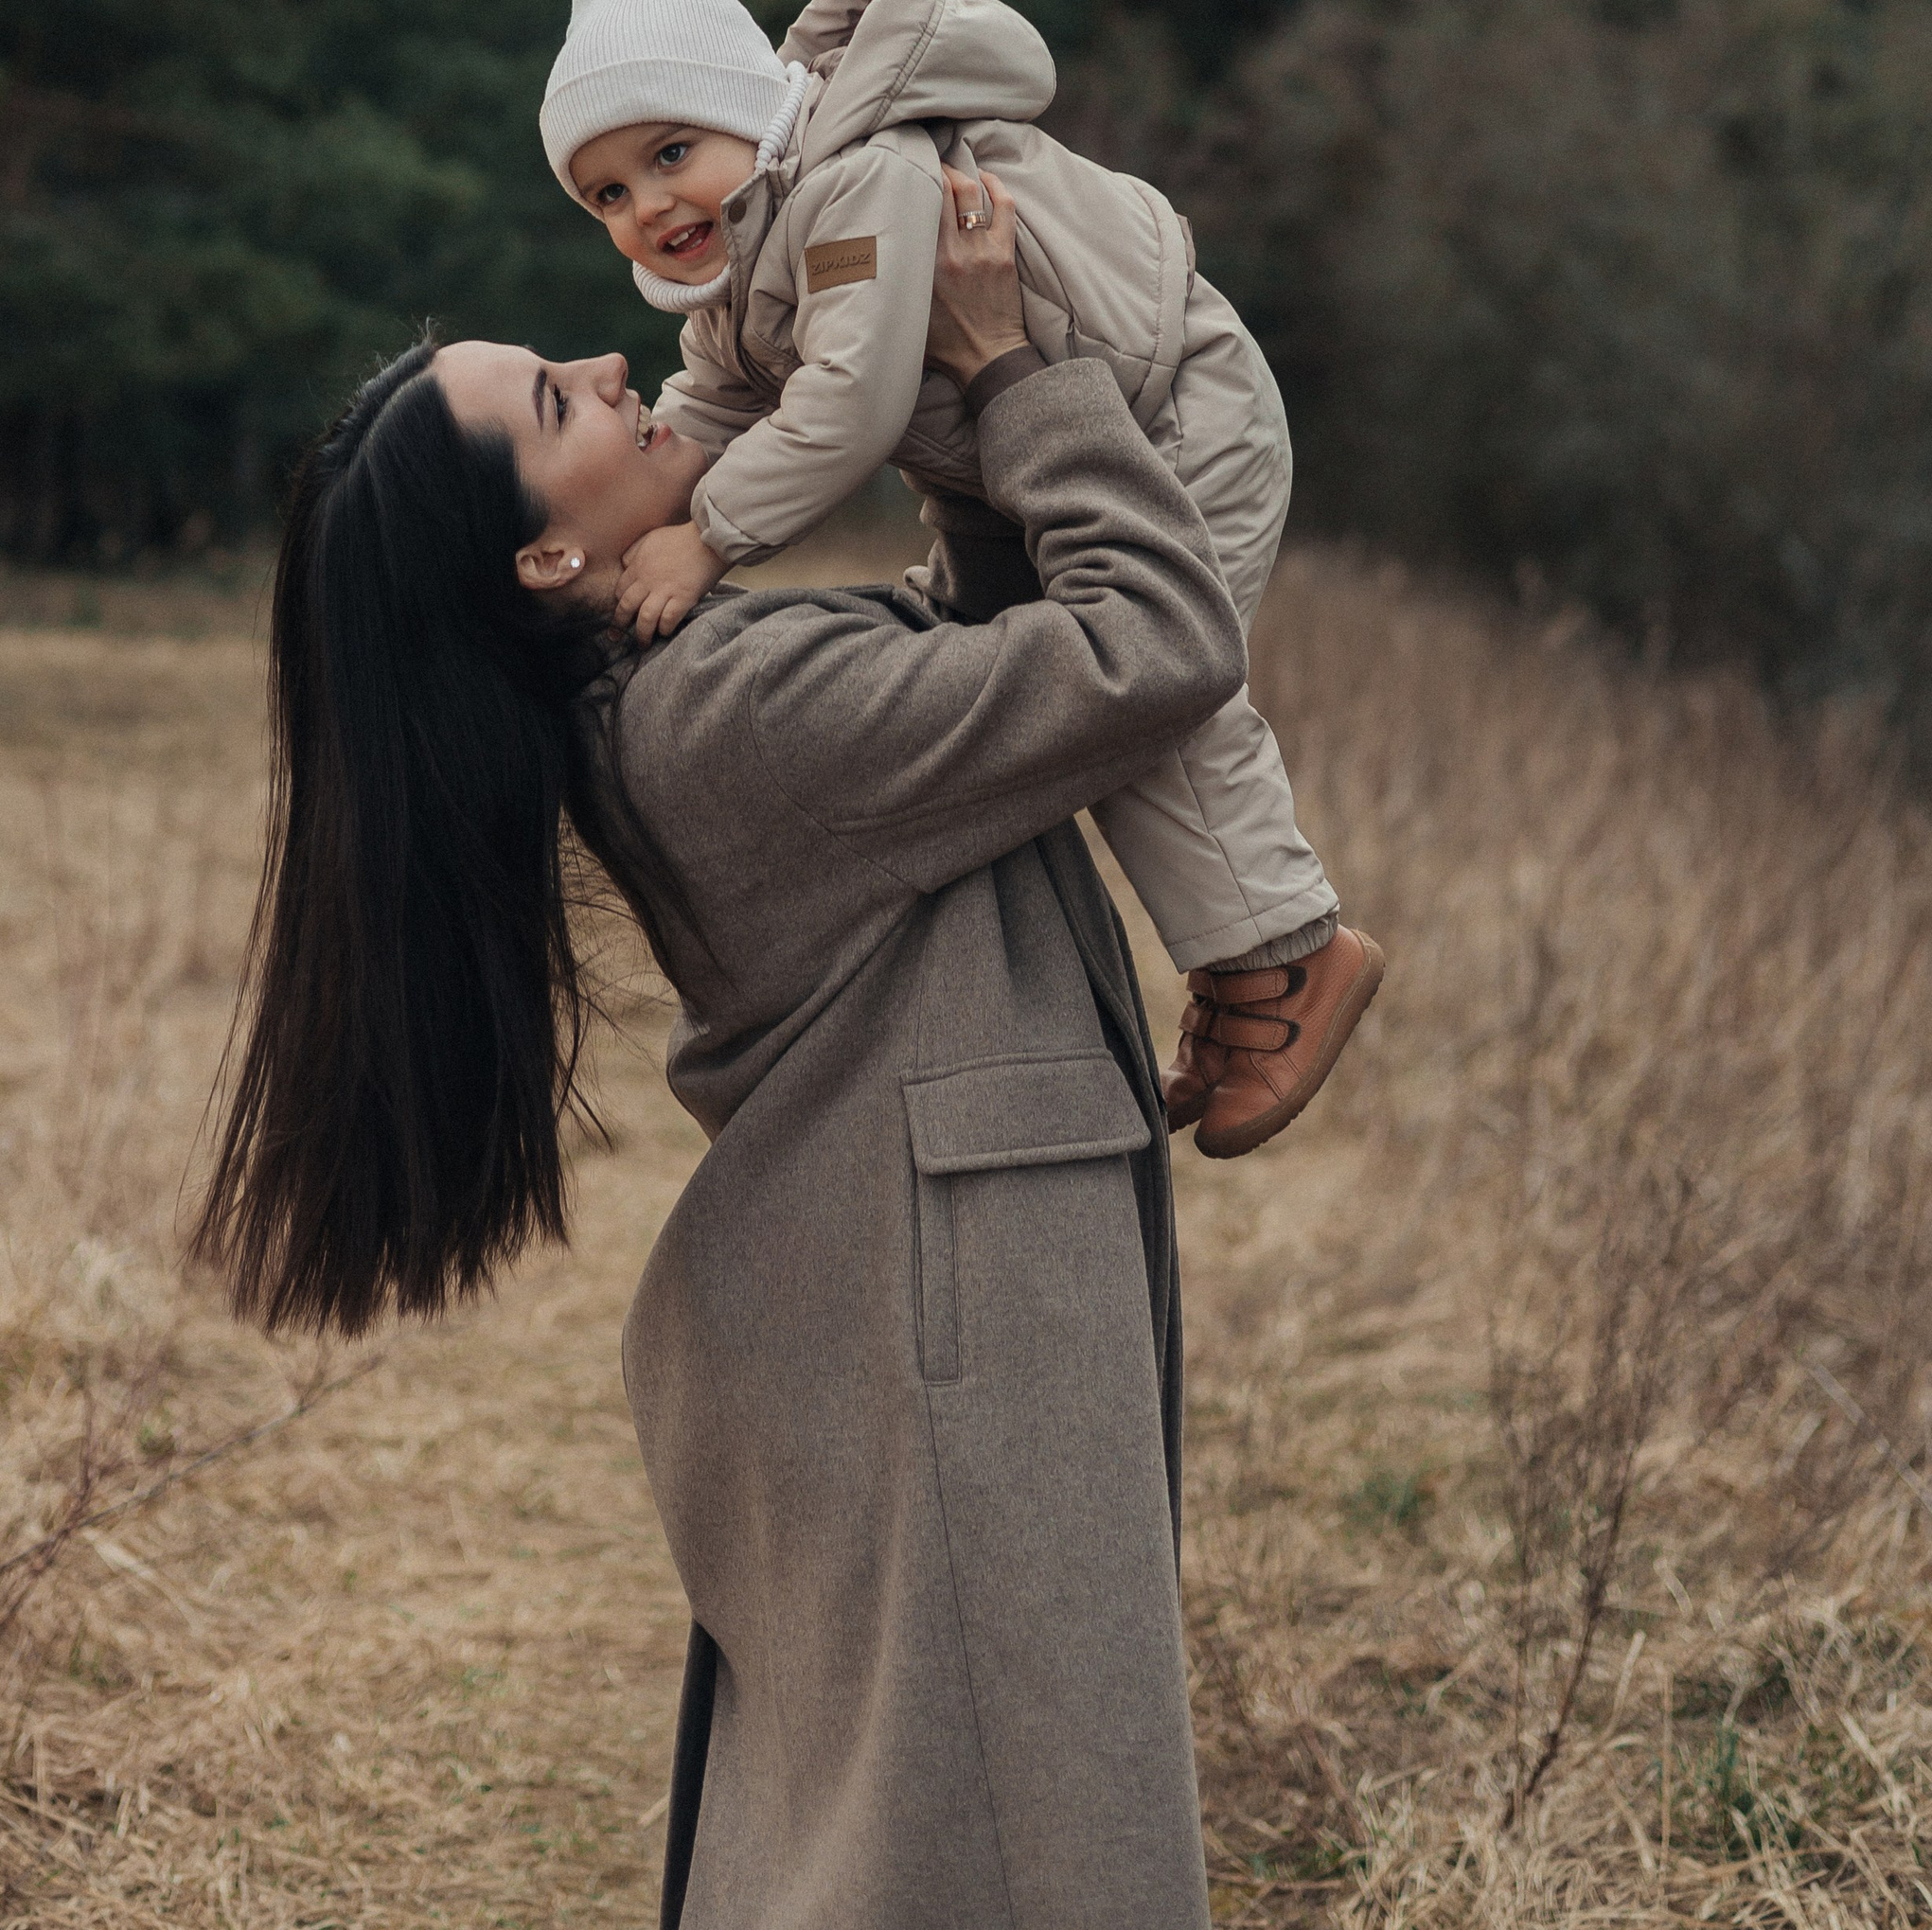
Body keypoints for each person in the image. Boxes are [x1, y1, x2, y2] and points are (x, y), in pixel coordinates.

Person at [194, 188, 1256, 1925]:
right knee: (1012, 1837)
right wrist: (1012, 376)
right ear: (546, 557)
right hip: (949, 1316)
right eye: (558, 400)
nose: (614, 364)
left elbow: (987, 656)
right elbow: (1154, 644)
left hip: (931, 1290)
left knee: (922, 1832)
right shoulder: (729, 718)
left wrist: (936, 382)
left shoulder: (682, 682)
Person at [542, 0, 1382, 1156]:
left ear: (750, 109)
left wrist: (707, 533)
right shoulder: (732, 264)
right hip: (1017, 457)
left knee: (1150, 685)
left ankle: (1285, 951)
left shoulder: (852, 186)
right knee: (1030, 678)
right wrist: (608, 545)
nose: (648, 206)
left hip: (1165, 409)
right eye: (605, 191)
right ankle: (1236, 959)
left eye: (671, 153)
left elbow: (853, 403)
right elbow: (708, 404)